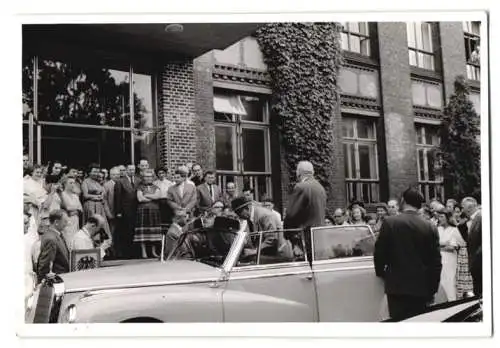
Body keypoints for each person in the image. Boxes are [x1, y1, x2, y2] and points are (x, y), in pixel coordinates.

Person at [374, 188, 442, 320]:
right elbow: (436, 262)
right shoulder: (430, 226)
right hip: (421, 287)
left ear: (403, 201)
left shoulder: (390, 222)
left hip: (397, 286)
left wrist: (382, 273)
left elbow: (380, 253)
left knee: (399, 324)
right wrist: (432, 289)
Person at [283, 161, 327, 262]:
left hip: (305, 238)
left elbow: (291, 214)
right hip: (319, 237)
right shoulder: (320, 188)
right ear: (312, 172)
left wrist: (288, 235)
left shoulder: (301, 187)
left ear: (298, 173)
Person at [436, 207, 465, 301]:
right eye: (438, 216)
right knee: (440, 281)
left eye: (441, 216)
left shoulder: (453, 230)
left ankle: (452, 300)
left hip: (450, 260)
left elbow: (452, 247)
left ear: (447, 217)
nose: (439, 218)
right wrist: (444, 244)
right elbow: (432, 244)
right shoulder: (437, 229)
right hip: (438, 259)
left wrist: (440, 246)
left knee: (450, 281)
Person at [36, 210, 71, 283]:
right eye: (65, 221)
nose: (67, 224)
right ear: (56, 222)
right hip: (56, 282)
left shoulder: (56, 235)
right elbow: (45, 266)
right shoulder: (51, 239)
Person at [114, 164, 138, 259]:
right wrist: (118, 211)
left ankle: (134, 252)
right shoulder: (120, 181)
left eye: (133, 170)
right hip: (125, 211)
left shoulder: (138, 180)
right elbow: (117, 198)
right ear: (126, 170)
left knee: (134, 231)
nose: (132, 171)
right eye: (130, 169)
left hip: (136, 210)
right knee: (125, 231)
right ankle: (126, 253)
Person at [81, 164, 111, 240]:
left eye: (97, 172)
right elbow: (85, 195)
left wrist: (101, 196)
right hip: (90, 205)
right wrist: (95, 197)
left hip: (99, 206)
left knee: (102, 224)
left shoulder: (98, 182)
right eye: (94, 171)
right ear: (89, 172)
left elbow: (103, 193)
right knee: (93, 224)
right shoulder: (85, 182)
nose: (96, 173)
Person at [461, 197, 482, 296]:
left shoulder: (481, 217)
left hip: (480, 263)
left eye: (463, 207)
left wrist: (476, 258)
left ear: (469, 208)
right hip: (475, 263)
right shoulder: (472, 220)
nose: (462, 210)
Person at [59, 176, 83, 245]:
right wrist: (74, 210)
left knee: (75, 240)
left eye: (73, 183)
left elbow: (80, 209)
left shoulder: (75, 196)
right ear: (65, 184)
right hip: (66, 220)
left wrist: (75, 211)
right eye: (70, 183)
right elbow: (66, 208)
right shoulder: (62, 195)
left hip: (75, 220)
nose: (73, 184)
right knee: (68, 240)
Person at [104, 167, 120, 255]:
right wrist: (108, 213)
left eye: (117, 174)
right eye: (114, 174)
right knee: (111, 232)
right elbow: (104, 200)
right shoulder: (107, 185)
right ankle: (110, 251)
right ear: (110, 175)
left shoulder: (121, 183)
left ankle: (118, 250)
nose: (116, 176)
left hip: (120, 213)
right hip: (111, 212)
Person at [154, 167, 175, 234]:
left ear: (165, 174)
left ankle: (167, 235)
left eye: (163, 173)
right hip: (158, 203)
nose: (161, 175)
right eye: (159, 173)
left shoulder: (170, 183)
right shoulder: (155, 183)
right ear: (157, 174)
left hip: (167, 203)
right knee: (159, 220)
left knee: (167, 220)